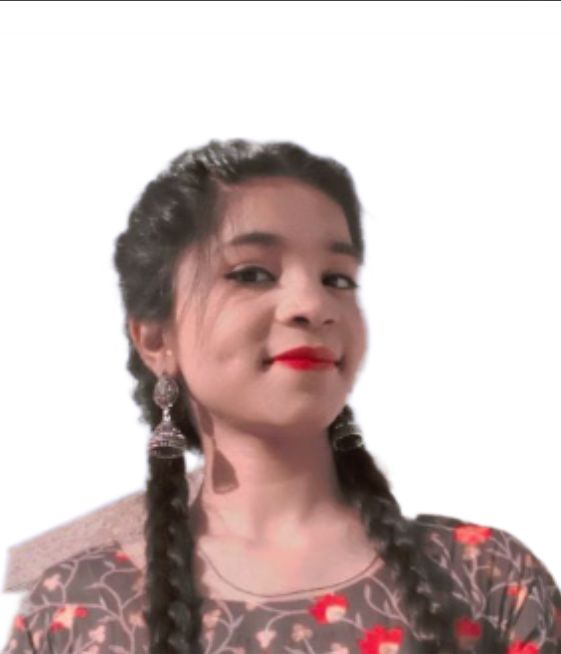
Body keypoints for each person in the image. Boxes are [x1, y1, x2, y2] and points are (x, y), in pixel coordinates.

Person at [2, 139, 560, 654]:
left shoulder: (485, 579)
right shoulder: (76, 609)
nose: (312, 305)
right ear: (155, 338)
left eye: (337, 278)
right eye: (252, 273)